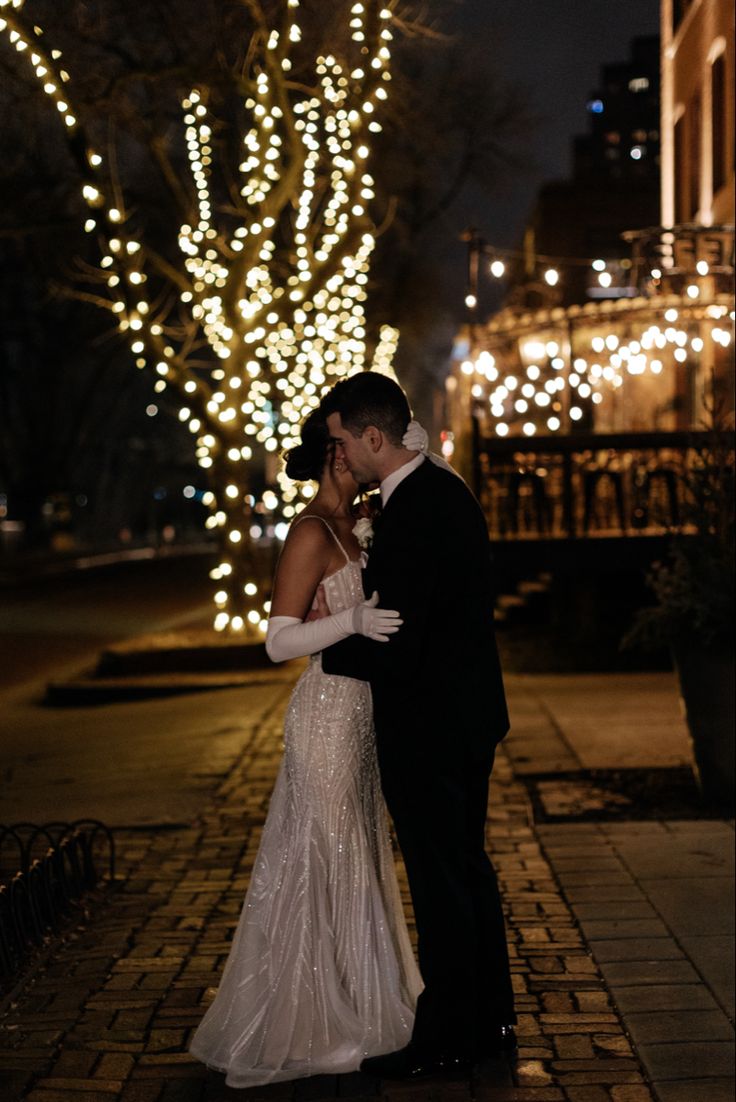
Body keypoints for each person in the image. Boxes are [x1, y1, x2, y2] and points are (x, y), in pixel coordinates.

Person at [189, 408, 424, 1088]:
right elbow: (279, 640)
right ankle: (313, 1016)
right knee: (323, 856)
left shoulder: (360, 524)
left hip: (363, 713)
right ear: (334, 455)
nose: (360, 455)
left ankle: (359, 995)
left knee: (357, 851)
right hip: (324, 710)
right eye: (349, 448)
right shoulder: (309, 531)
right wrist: (350, 618)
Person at [320, 371, 516, 1080]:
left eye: (343, 439)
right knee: (466, 865)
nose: (339, 454)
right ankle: (491, 1015)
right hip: (465, 712)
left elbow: (397, 637)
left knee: (440, 878)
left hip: (431, 723)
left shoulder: (415, 507)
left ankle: (451, 1034)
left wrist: (322, 649)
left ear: (374, 437)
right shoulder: (443, 487)